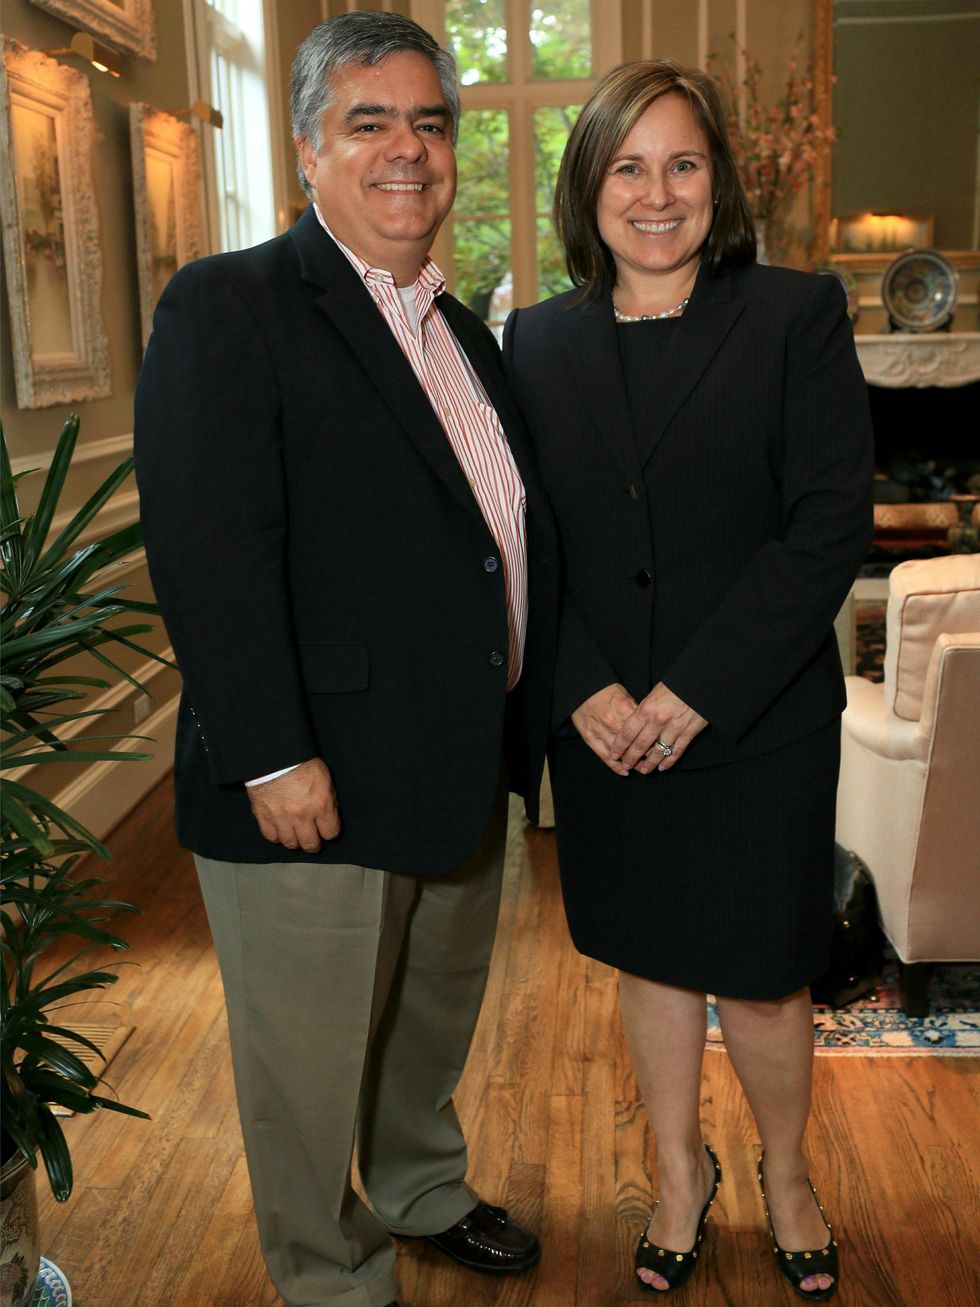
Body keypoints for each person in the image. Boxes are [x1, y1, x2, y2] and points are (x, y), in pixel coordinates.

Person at [134, 12, 558, 1307]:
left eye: (430, 124)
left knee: (427, 1020)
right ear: (309, 146)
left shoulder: (458, 330)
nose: (409, 152)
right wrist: (272, 752)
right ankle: (328, 1274)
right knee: (307, 1062)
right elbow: (209, 550)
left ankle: (423, 1184)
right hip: (310, 784)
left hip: (451, 760)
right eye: (371, 122)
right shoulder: (235, 303)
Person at [503, 61, 872, 1302]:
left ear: (716, 182)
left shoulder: (793, 314)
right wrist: (580, 687)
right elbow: (521, 540)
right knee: (650, 962)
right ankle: (675, 1172)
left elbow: (825, 526)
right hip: (603, 726)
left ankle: (786, 1172)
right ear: (587, 186)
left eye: (681, 163)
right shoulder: (535, 339)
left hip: (755, 714)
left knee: (765, 972)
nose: (654, 193)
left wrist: (696, 690)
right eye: (627, 165)